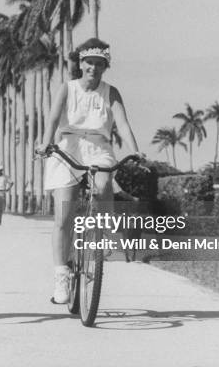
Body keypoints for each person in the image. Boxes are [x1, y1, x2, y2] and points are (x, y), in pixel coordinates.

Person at [37, 37, 143, 304]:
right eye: (88, 62)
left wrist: (135, 150)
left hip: (99, 148)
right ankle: (62, 275)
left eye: (99, 63)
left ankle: (103, 234)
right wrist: (45, 143)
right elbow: (52, 118)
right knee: (64, 215)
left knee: (105, 185)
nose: (93, 68)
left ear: (105, 66)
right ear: (80, 63)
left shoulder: (111, 92)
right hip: (68, 147)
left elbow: (123, 124)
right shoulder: (67, 89)